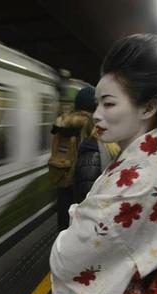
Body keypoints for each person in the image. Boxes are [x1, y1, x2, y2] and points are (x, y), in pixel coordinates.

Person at [50, 34, 157, 294]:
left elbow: (66, 257)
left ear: (148, 107)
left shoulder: (137, 179)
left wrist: (76, 216)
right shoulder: (146, 162)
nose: (97, 114)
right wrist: (82, 217)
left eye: (109, 103)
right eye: (98, 103)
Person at [50, 85, 97, 231]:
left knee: (64, 221)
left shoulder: (61, 123)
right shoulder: (91, 125)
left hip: (62, 177)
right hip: (82, 182)